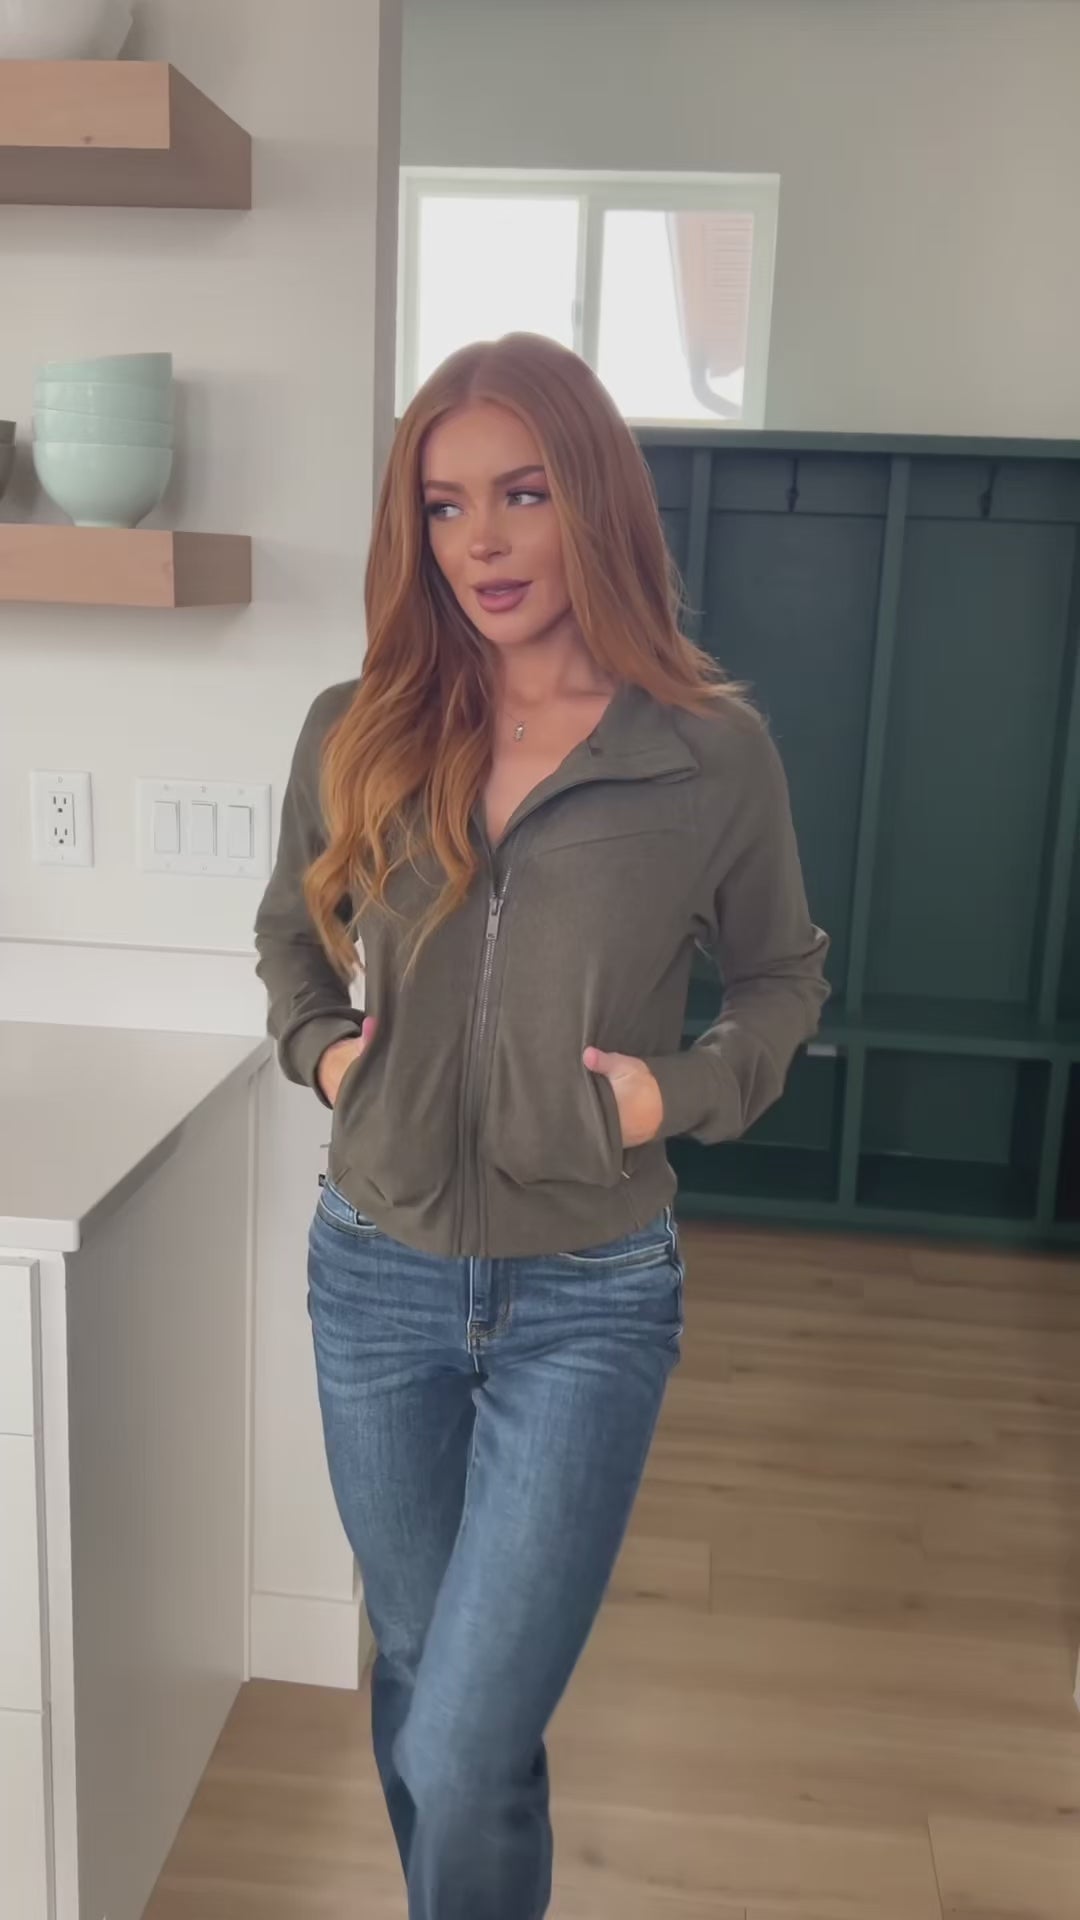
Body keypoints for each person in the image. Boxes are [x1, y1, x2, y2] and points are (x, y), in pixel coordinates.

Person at [253, 331, 829, 1920]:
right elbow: (289, 936)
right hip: (375, 1276)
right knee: (424, 1673)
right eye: (444, 506)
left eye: (522, 494)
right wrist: (329, 1059)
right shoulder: (357, 724)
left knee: (465, 1737)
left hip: (589, 1294)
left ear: (596, 500)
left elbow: (782, 976)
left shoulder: (706, 751)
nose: (483, 542)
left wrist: (674, 1093)